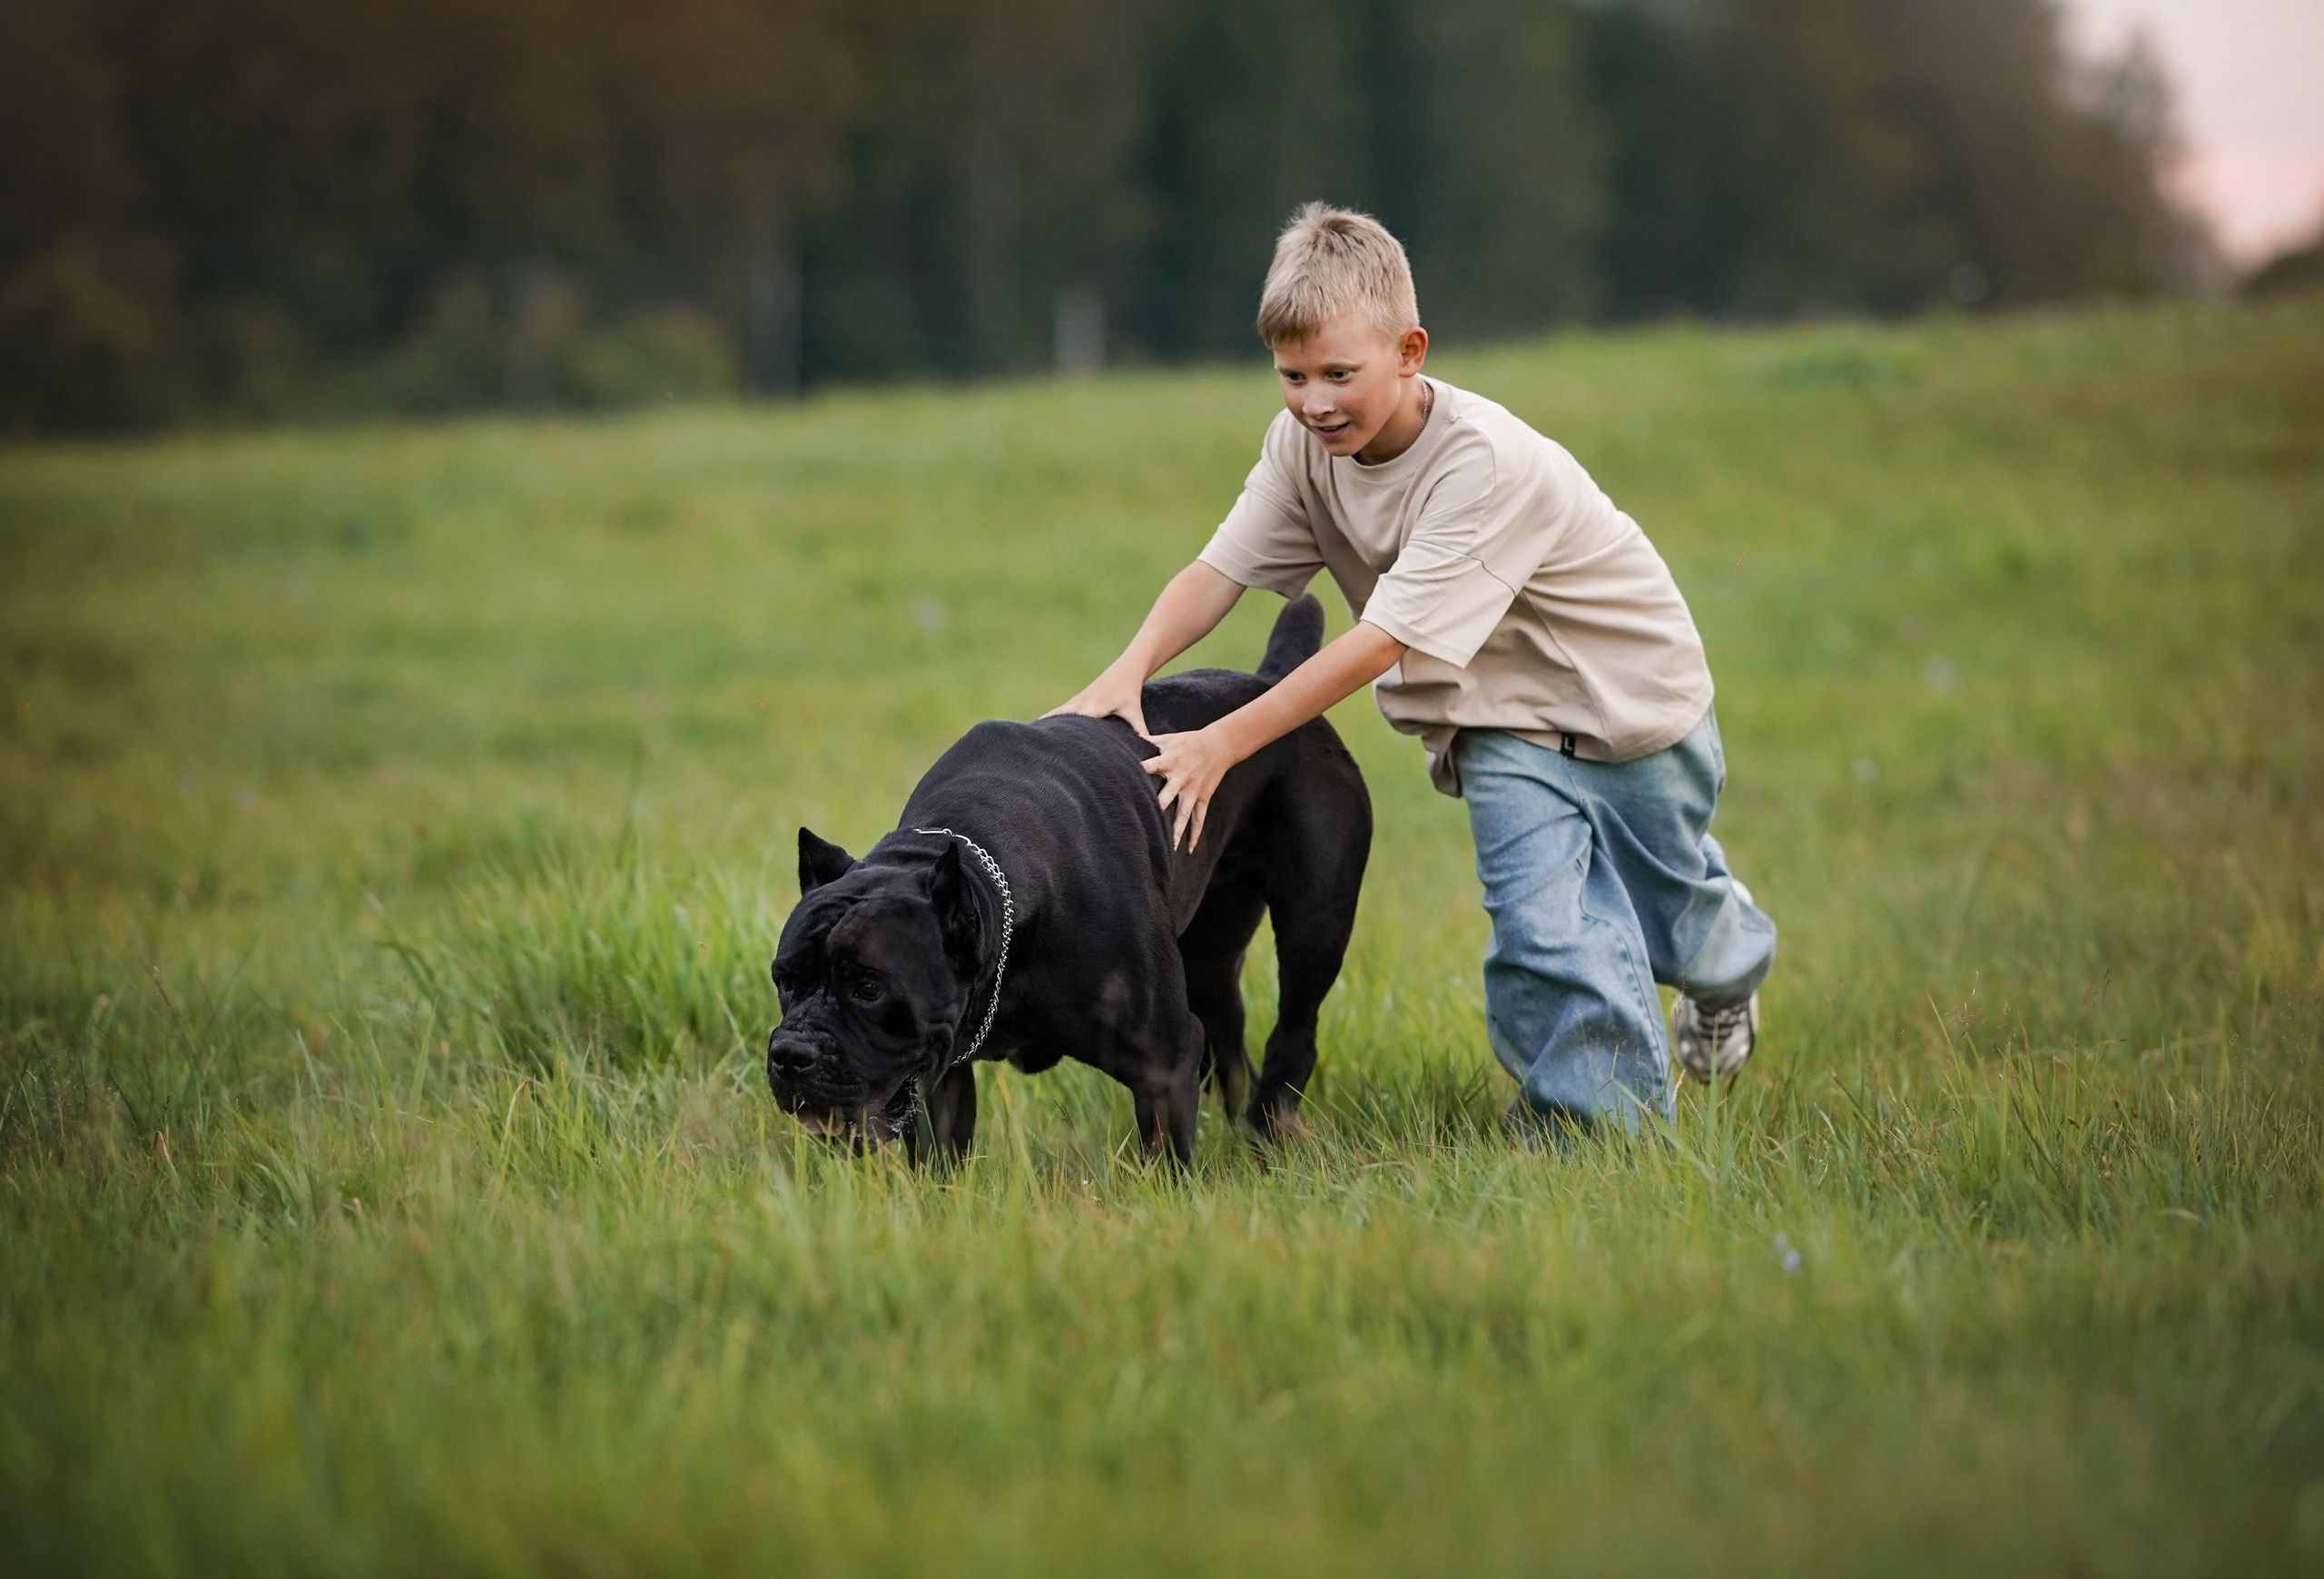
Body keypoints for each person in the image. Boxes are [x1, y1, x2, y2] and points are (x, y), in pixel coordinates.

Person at [1048, 203, 1776, 1135]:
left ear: (1408, 352)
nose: (1314, 402)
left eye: (1338, 374)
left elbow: (1381, 642)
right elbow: (1219, 571)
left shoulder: (1482, 462)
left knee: (1675, 923)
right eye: (1292, 375)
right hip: (1500, 726)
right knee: (1542, 932)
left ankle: (1727, 955)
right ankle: (1598, 1131)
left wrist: (1222, 742)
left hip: (1632, 710)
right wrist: (1127, 670)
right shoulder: (1303, 450)